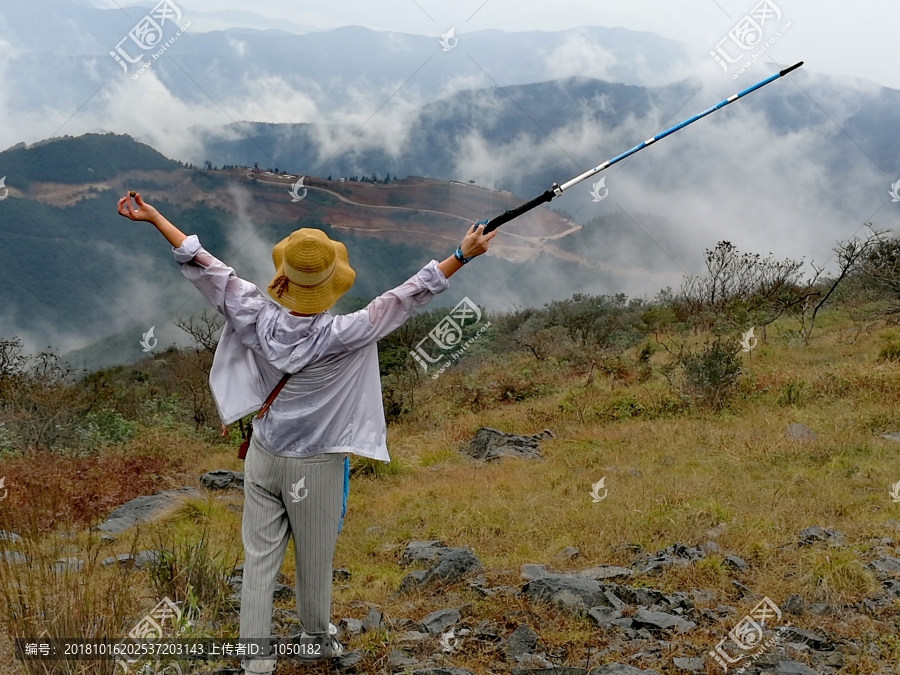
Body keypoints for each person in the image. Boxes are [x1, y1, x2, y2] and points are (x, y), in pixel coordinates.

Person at [116, 192, 496, 673]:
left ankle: (255, 660)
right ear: (330, 283)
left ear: (284, 275)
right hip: (315, 464)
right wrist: (462, 255)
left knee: (259, 559)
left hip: (264, 452)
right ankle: (314, 638)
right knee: (314, 558)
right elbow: (406, 296)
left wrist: (153, 218)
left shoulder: (252, 311)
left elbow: (204, 264)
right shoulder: (345, 333)